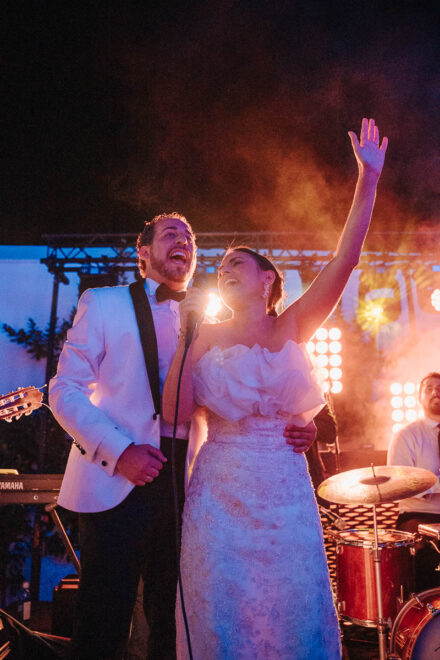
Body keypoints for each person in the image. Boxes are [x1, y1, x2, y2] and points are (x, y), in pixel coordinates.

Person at [163, 117, 388, 659]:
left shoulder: (293, 324)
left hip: (285, 491)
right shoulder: (202, 333)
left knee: (289, 609)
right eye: (220, 268)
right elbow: (174, 412)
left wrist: (369, 180)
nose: (224, 271)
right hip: (219, 489)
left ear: (267, 279)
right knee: (222, 612)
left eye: (236, 263)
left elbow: (346, 259)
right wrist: (186, 336)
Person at [49, 212, 317, 660]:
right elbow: (64, 390)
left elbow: (249, 388)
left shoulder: (214, 321)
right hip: (116, 478)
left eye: (190, 237)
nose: (184, 242)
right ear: (144, 253)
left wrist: (298, 420)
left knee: (175, 627)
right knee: (102, 624)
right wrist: (120, 451)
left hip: (191, 488)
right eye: (171, 234)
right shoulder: (104, 302)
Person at [387, 371, 440, 592]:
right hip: (417, 516)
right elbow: (400, 483)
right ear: (419, 397)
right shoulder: (405, 435)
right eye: (429, 388)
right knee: (427, 556)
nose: (436, 392)